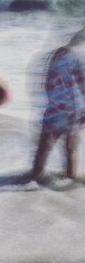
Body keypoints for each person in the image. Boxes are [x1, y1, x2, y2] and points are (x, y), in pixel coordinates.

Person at [30, 30, 85, 183]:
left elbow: (45, 85)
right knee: (70, 149)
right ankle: (69, 181)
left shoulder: (54, 57)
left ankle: (33, 180)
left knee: (43, 150)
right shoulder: (77, 57)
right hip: (72, 111)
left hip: (54, 109)